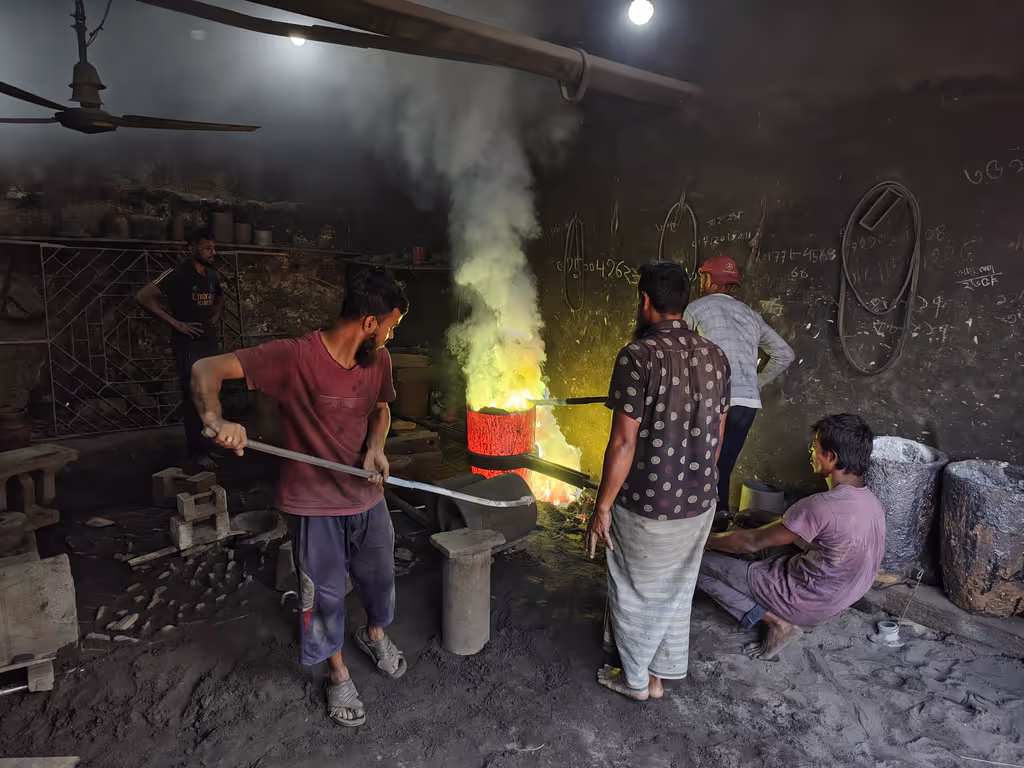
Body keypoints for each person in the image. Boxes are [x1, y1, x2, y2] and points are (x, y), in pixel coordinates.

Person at [189, 269, 409, 728]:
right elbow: (204, 369)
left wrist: (375, 447)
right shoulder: (295, 357)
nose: (391, 334)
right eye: (391, 325)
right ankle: (338, 673)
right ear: (370, 323)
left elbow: (381, 411)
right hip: (313, 503)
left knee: (380, 577)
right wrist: (216, 416)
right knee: (324, 593)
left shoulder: (379, 362)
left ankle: (373, 633)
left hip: (365, 495)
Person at [586, 261, 731, 701]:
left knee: (632, 590)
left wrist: (602, 507)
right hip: (701, 501)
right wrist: (700, 482)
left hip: (647, 507)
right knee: (676, 587)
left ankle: (634, 681)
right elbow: (718, 436)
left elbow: (623, 445)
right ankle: (658, 674)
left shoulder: (638, 356)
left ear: (644, 301)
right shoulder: (715, 356)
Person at [698, 413, 885, 661]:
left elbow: (751, 541)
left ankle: (777, 623)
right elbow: (803, 529)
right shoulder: (870, 502)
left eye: (814, 447)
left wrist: (701, 540)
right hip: (835, 600)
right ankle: (760, 579)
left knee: (697, 565)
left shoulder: (819, 505)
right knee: (753, 526)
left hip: (803, 601)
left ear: (832, 457)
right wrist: (759, 515)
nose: (810, 452)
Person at [683, 254, 794, 516]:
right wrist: (755, 383)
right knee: (722, 466)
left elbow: (678, 351)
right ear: (731, 286)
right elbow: (785, 354)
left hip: (712, 401)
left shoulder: (696, 309)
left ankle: (691, 523)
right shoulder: (751, 315)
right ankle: (719, 520)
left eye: (702, 276)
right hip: (746, 404)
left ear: (708, 279)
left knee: (696, 463)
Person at [137, 228, 224, 469]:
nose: (212, 252)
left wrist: (214, 316)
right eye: (207, 248)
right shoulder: (177, 274)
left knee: (210, 395)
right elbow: (144, 296)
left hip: (208, 342)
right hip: (187, 345)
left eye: (213, 248)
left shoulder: (211, 276)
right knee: (194, 396)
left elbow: (219, 297)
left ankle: (208, 445)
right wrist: (176, 324)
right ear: (192, 248)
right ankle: (196, 452)